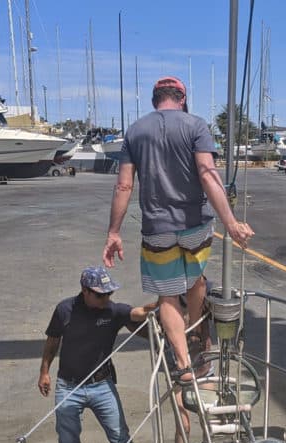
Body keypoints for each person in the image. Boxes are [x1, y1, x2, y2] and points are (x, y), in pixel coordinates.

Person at [103, 76, 254, 386]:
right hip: (196, 223)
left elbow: (124, 185)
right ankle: (198, 329)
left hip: (157, 227)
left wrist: (114, 232)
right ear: (182, 98)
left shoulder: (135, 132)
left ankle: (184, 364)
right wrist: (231, 223)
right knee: (196, 278)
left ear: (154, 100)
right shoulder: (196, 125)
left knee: (168, 297)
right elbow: (208, 174)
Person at [38, 266, 154, 443]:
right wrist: (44, 371)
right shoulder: (64, 310)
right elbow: (52, 341)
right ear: (85, 291)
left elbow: (139, 313)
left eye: (109, 294)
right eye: (100, 295)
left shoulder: (113, 311)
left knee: (121, 439)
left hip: (102, 386)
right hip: (69, 387)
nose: (106, 299)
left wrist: (165, 302)